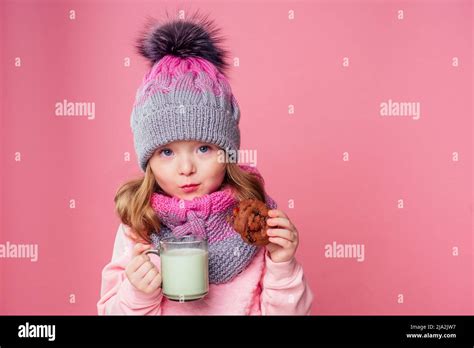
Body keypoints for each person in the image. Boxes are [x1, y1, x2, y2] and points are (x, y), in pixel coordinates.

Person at [97, 11, 313, 315]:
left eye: (203, 148)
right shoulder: (140, 224)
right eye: (167, 153)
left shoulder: (256, 220)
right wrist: (136, 294)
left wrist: (282, 264)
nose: (186, 169)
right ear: (148, 161)